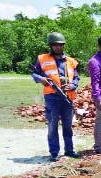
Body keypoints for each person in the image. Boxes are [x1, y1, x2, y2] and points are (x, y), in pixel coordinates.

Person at [31, 32, 80, 162]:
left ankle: (69, 150)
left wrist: (73, 85)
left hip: (67, 97)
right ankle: (54, 152)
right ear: (51, 45)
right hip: (52, 97)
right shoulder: (42, 59)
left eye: (61, 45)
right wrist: (41, 79)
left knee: (67, 125)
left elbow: (76, 77)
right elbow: (34, 74)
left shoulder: (71, 61)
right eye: (56, 45)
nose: (58, 47)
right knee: (52, 125)